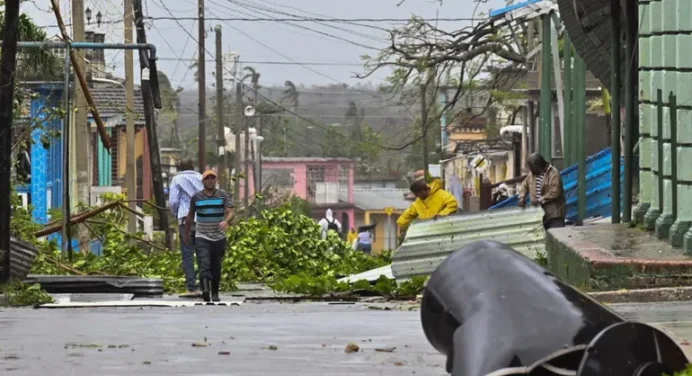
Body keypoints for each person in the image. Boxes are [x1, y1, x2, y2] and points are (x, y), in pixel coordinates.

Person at [184, 170, 235, 302]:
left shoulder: (222, 195)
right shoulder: (196, 197)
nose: (210, 180)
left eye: (213, 178)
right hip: (202, 236)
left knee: (216, 265)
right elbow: (190, 216)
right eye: (207, 178)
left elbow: (231, 212)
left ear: (216, 180)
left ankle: (215, 293)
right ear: (203, 181)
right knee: (204, 262)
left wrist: (227, 221)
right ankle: (205, 290)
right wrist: (186, 233)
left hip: (218, 237)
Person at [167, 159, 204, 297]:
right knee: (202, 254)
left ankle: (192, 288)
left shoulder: (177, 179)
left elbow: (173, 201)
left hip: (185, 221)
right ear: (192, 166)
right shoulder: (201, 178)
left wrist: (177, 212)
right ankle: (204, 286)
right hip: (202, 220)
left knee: (187, 254)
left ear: (180, 168)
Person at [518, 153, 566, 230]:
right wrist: (522, 197)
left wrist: (539, 200)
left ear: (538, 166)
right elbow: (524, 185)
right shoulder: (532, 174)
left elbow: (555, 192)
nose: (530, 170)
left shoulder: (553, 173)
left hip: (553, 215)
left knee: (554, 237)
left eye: (531, 168)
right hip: (538, 214)